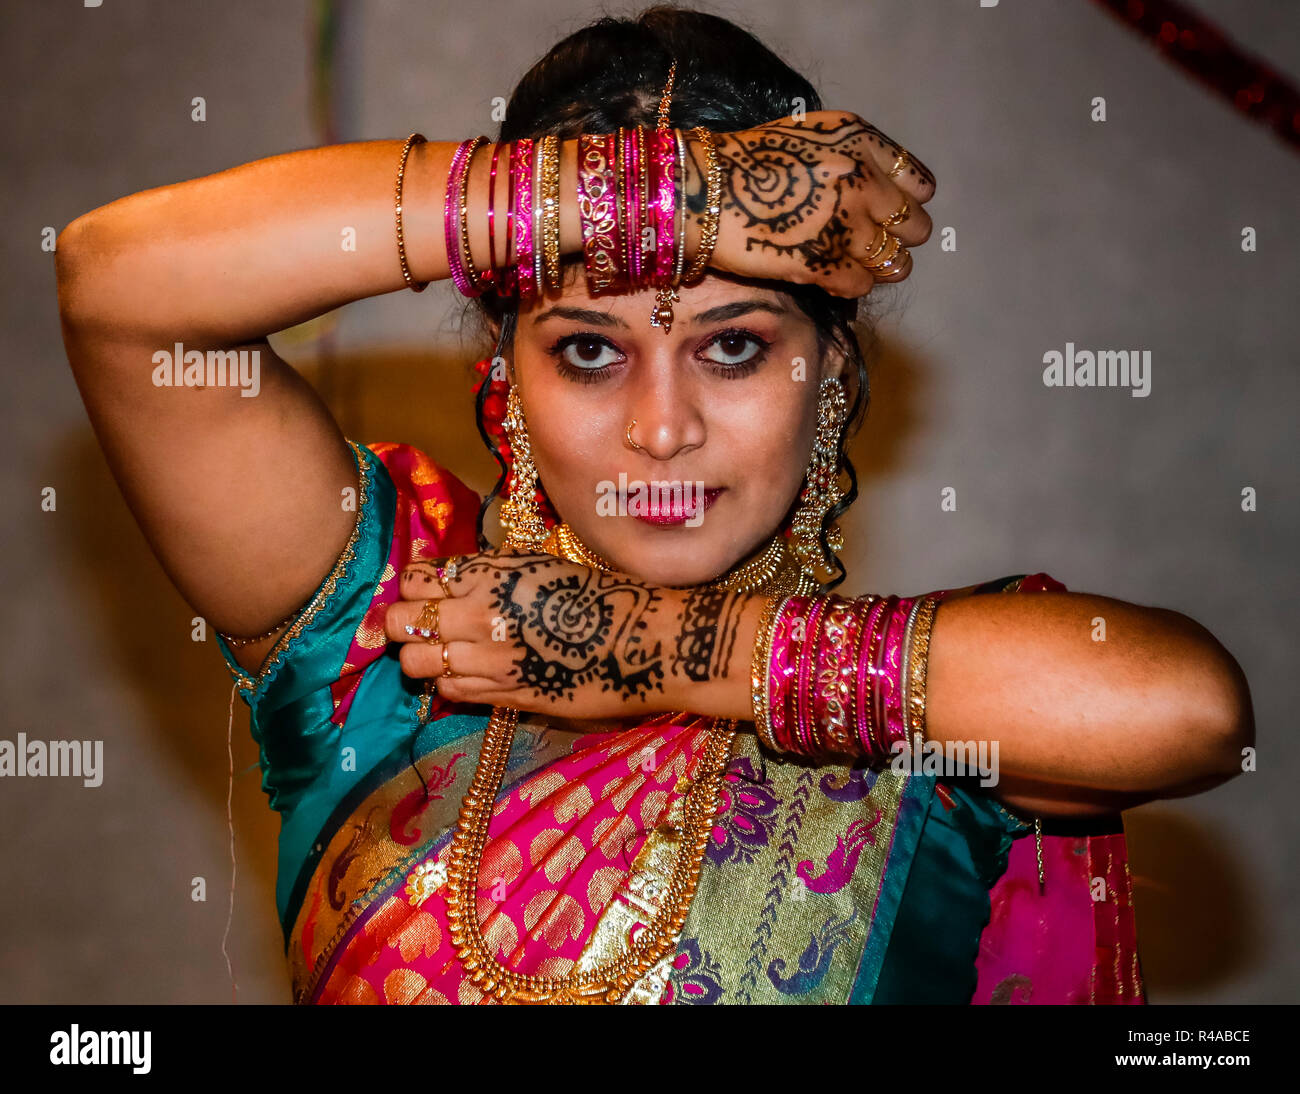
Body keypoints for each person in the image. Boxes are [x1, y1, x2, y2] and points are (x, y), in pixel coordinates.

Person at [54, 6, 1252, 1005]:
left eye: (733, 347)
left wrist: (655, 649)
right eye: (586, 350)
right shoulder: (392, 635)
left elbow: (1183, 706)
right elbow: (121, 287)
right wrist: (656, 193)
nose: (661, 427)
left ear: (829, 375)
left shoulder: (931, 716)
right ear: (503, 375)